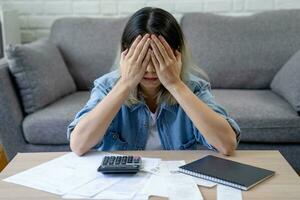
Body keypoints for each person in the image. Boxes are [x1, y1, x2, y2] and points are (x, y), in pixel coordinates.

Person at [67, 7, 241, 156]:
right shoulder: (107, 87)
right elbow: (79, 145)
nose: (150, 70)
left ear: (176, 55)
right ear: (125, 56)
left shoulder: (194, 88)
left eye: (159, 59)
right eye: (142, 59)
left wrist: (175, 84)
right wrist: (126, 84)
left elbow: (226, 145)